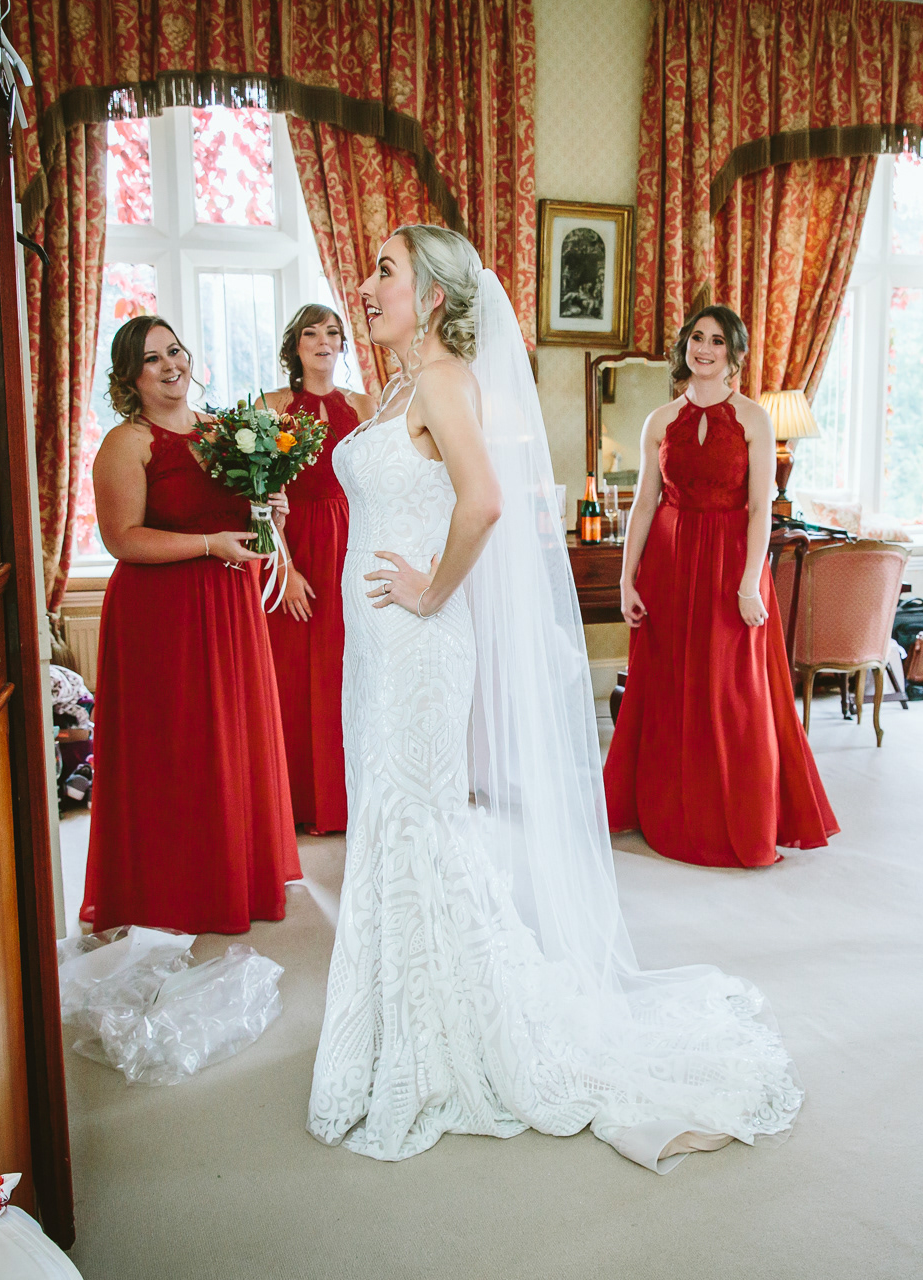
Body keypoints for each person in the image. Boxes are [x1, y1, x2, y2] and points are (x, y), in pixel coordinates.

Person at [308, 225, 802, 1171]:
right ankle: (395, 1010)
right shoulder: (399, 388)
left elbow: (483, 502)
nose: (364, 287)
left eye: (384, 272)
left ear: (436, 298)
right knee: (391, 820)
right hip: (374, 648)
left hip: (416, 644)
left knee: (417, 820)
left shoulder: (446, 380)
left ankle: (443, 1032)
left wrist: (431, 591)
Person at [80, 316, 301, 934]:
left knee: (231, 741)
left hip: (230, 606)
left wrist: (272, 514)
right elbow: (122, 539)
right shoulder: (127, 443)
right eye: (152, 359)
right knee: (176, 749)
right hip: (161, 615)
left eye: (174, 350)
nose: (170, 364)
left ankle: (234, 875)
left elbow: (249, 527)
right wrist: (208, 545)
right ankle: (175, 889)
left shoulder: (227, 432)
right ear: (130, 377)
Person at [602, 305, 838, 868]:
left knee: (734, 693)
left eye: (716, 341)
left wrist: (750, 582)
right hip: (669, 559)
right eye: (696, 338)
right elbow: (643, 503)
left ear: (734, 354)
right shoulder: (659, 421)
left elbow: (761, 508)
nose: (703, 349)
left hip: (733, 560)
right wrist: (626, 576)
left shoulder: (754, 419)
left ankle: (737, 818)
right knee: (669, 687)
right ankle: (666, 813)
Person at [257, 305, 374, 834]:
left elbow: (376, 489)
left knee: (348, 669)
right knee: (293, 674)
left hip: (352, 541)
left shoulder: (365, 404)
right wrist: (284, 569)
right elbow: (258, 497)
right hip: (292, 543)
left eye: (333, 332)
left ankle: (347, 800)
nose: (324, 341)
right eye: (312, 332)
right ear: (295, 345)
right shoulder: (270, 405)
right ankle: (299, 804)